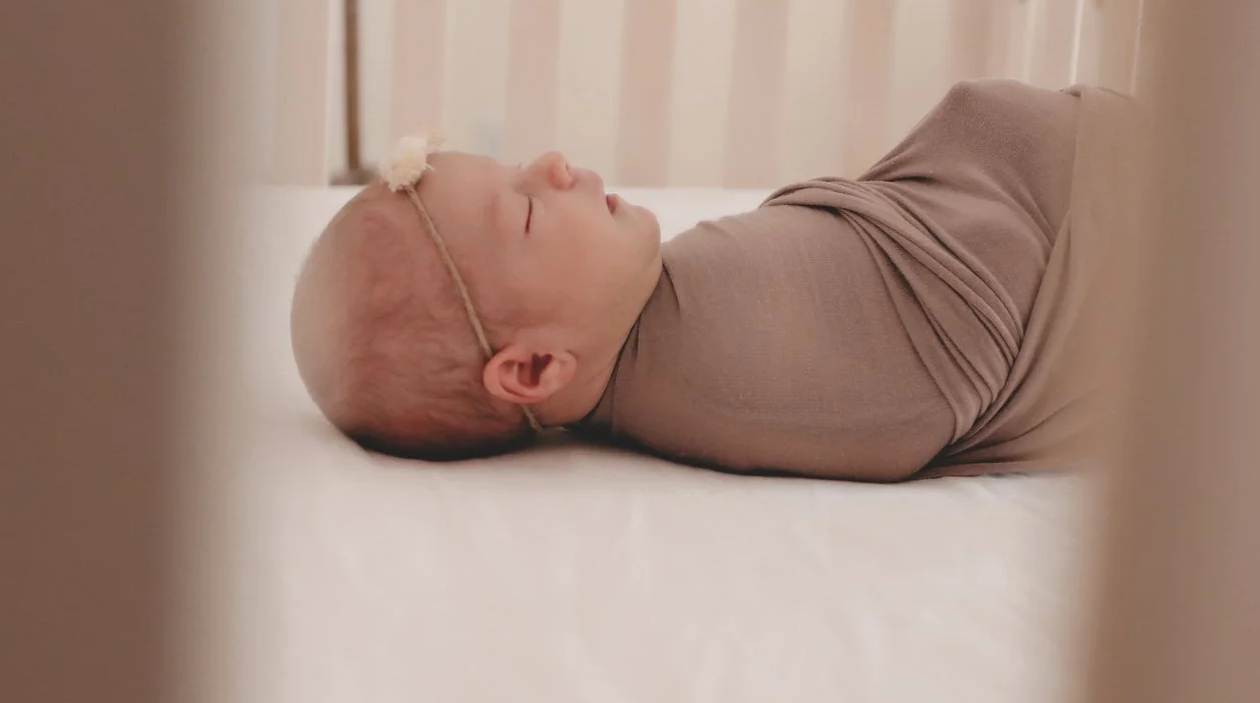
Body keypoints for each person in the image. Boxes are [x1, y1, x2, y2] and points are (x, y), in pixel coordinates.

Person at [288, 79, 1139, 481]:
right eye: (525, 210)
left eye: (518, 166)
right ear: (536, 367)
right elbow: (938, 365)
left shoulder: (659, 321)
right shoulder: (725, 373)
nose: (551, 164)